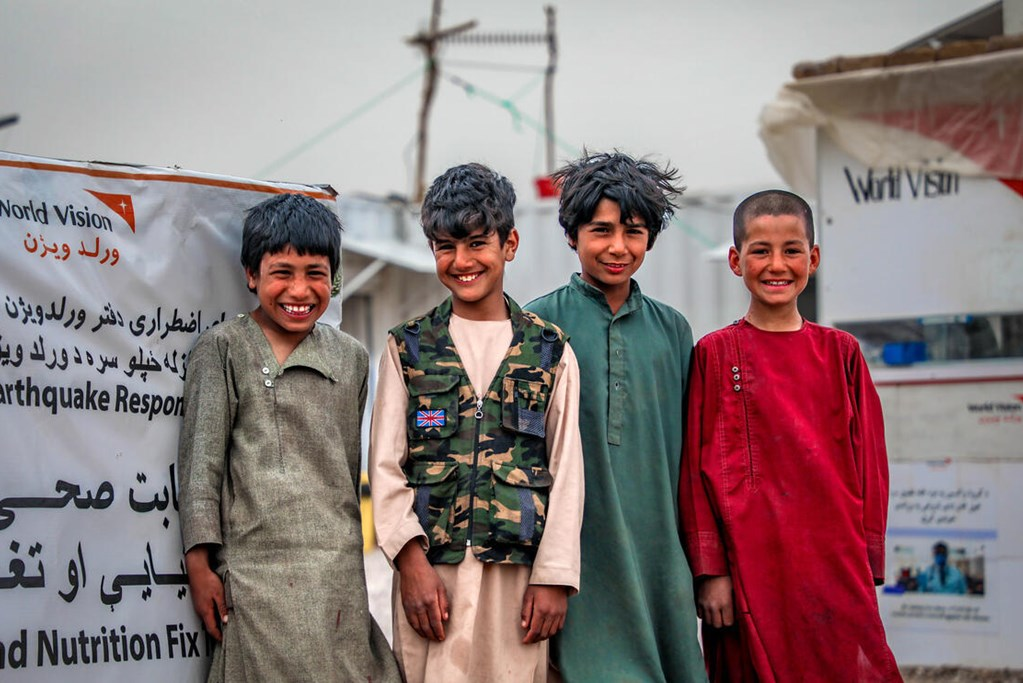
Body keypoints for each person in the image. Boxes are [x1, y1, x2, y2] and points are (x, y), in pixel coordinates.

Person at [369, 163, 584, 683]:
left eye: (476, 243)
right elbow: (385, 467)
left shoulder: (548, 350)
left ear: (509, 243)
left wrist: (554, 578)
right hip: (432, 575)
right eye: (446, 246)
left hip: (517, 576)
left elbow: (568, 472)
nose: (462, 261)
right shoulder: (409, 348)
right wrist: (410, 564)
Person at [680, 189, 902, 682]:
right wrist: (710, 570)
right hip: (748, 569)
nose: (776, 264)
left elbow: (872, 465)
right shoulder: (714, 354)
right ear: (736, 261)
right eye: (760, 250)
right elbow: (694, 474)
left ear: (813, 258)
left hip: (832, 562)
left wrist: (869, 558)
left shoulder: (841, 352)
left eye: (792, 250)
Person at [177, 193, 400, 682]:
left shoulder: (352, 357)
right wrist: (199, 564)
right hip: (254, 577)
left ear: (334, 279)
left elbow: (345, 467)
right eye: (282, 272)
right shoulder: (222, 350)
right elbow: (201, 469)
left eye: (316, 273)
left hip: (336, 572)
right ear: (251, 275)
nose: (299, 289)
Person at [525, 151, 707, 682]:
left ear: (651, 237)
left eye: (633, 231)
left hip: (660, 559)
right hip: (577, 561)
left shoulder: (673, 330)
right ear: (571, 235)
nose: (617, 247)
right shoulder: (538, 324)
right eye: (600, 230)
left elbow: (691, 456)